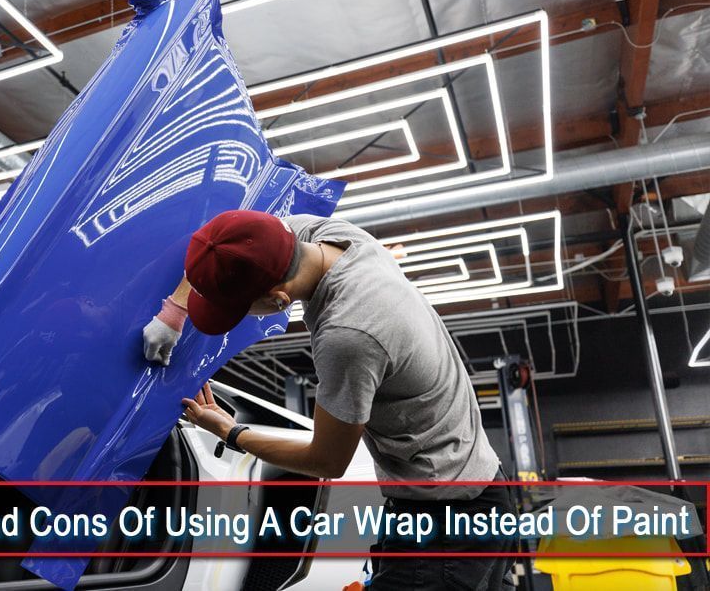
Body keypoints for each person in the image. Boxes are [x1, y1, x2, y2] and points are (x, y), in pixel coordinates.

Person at [142, 209, 515, 590]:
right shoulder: (327, 235)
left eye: (236, 311)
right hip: (468, 488)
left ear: (278, 300)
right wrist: (175, 310)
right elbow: (226, 238)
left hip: (448, 522)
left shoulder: (348, 335)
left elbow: (327, 460)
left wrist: (231, 432)